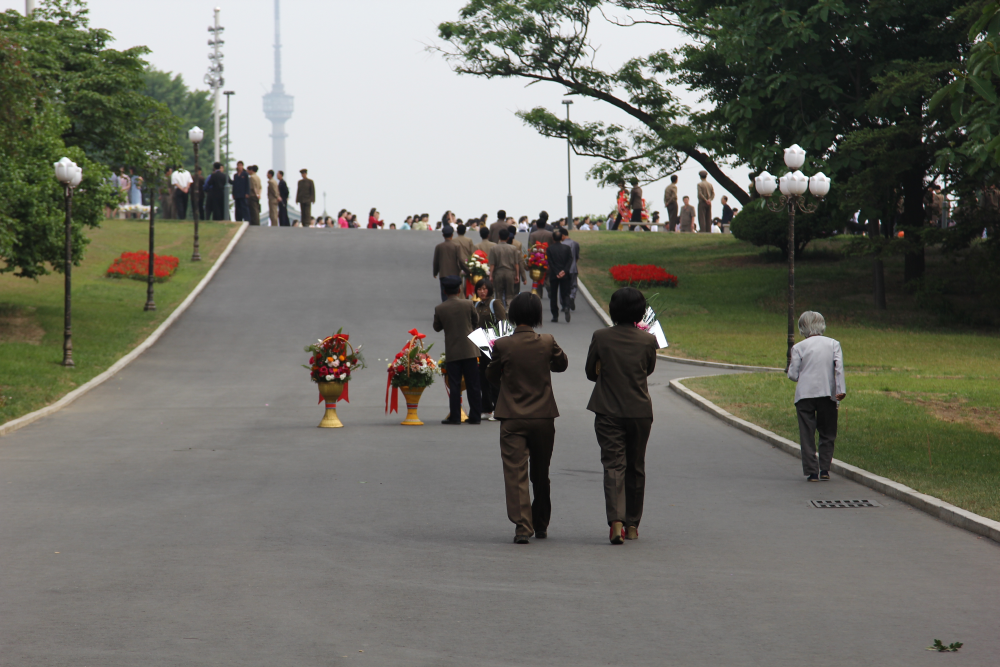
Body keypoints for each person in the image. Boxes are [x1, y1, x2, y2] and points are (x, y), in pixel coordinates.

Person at [486, 293, 569, 544]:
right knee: (540, 472)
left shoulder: (502, 345)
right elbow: (562, 364)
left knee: (516, 472)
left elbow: (491, 375)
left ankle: (523, 526)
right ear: (537, 317)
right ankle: (541, 522)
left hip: (512, 416)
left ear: (512, 318)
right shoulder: (547, 341)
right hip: (543, 416)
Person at [585, 287, 658, 544]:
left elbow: (590, 372)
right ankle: (633, 524)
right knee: (636, 466)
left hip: (608, 410)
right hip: (639, 411)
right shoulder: (649, 340)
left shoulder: (600, 336)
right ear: (640, 313)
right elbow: (647, 369)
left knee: (614, 466)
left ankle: (616, 522)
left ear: (613, 310)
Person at [787, 311, 846, 482]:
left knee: (807, 434)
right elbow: (838, 368)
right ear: (822, 325)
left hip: (804, 395)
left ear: (802, 328)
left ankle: (812, 471)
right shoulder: (834, 344)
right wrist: (840, 390)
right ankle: (825, 469)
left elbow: (792, 375)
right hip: (828, 393)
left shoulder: (798, 347)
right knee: (827, 432)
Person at [434, 276, 482, 425]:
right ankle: (475, 416)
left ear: (444, 291)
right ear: (459, 289)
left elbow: (437, 327)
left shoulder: (440, 308)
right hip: (470, 350)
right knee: (473, 384)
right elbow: (476, 321)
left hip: (453, 351)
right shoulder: (468, 304)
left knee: (454, 384)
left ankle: (455, 417)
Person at [474, 279, 506, 421]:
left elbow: (502, 323)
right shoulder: (476, 305)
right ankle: (486, 408)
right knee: (483, 378)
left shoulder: (494, 304)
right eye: (479, 289)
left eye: (484, 289)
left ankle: (498, 409)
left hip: (493, 346)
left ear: (490, 290)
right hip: (480, 344)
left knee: (494, 377)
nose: (482, 291)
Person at [433, 225, 472, 302]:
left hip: (443, 274)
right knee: (455, 294)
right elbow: (460, 261)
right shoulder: (456, 246)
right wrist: (468, 271)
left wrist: (435, 272)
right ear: (452, 235)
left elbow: (436, 261)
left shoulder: (439, 246)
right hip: (455, 274)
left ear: (443, 235)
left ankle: (445, 310)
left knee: (445, 295)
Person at [488, 229, 522, 308]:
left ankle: (499, 311)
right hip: (510, 273)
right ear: (508, 238)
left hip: (498, 273)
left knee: (498, 294)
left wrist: (491, 275)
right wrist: (517, 275)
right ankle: (508, 311)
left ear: (499, 237)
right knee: (509, 295)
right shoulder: (513, 248)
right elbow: (516, 264)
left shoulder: (493, 248)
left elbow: (492, 264)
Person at [547, 229, 574, 323]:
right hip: (565, 275)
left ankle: (555, 315)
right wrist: (564, 271)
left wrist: (557, 272)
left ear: (553, 238)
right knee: (565, 293)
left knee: (553, 295)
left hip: (554, 275)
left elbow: (550, 262)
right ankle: (566, 306)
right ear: (561, 238)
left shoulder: (550, 249)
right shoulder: (567, 248)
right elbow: (570, 260)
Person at [561, 226, 580, 310]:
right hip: (573, 268)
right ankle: (572, 297)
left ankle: (564, 304)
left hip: (564, 269)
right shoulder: (575, 244)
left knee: (563, 287)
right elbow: (577, 257)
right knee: (573, 285)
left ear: (563, 235)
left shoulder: (561, 244)